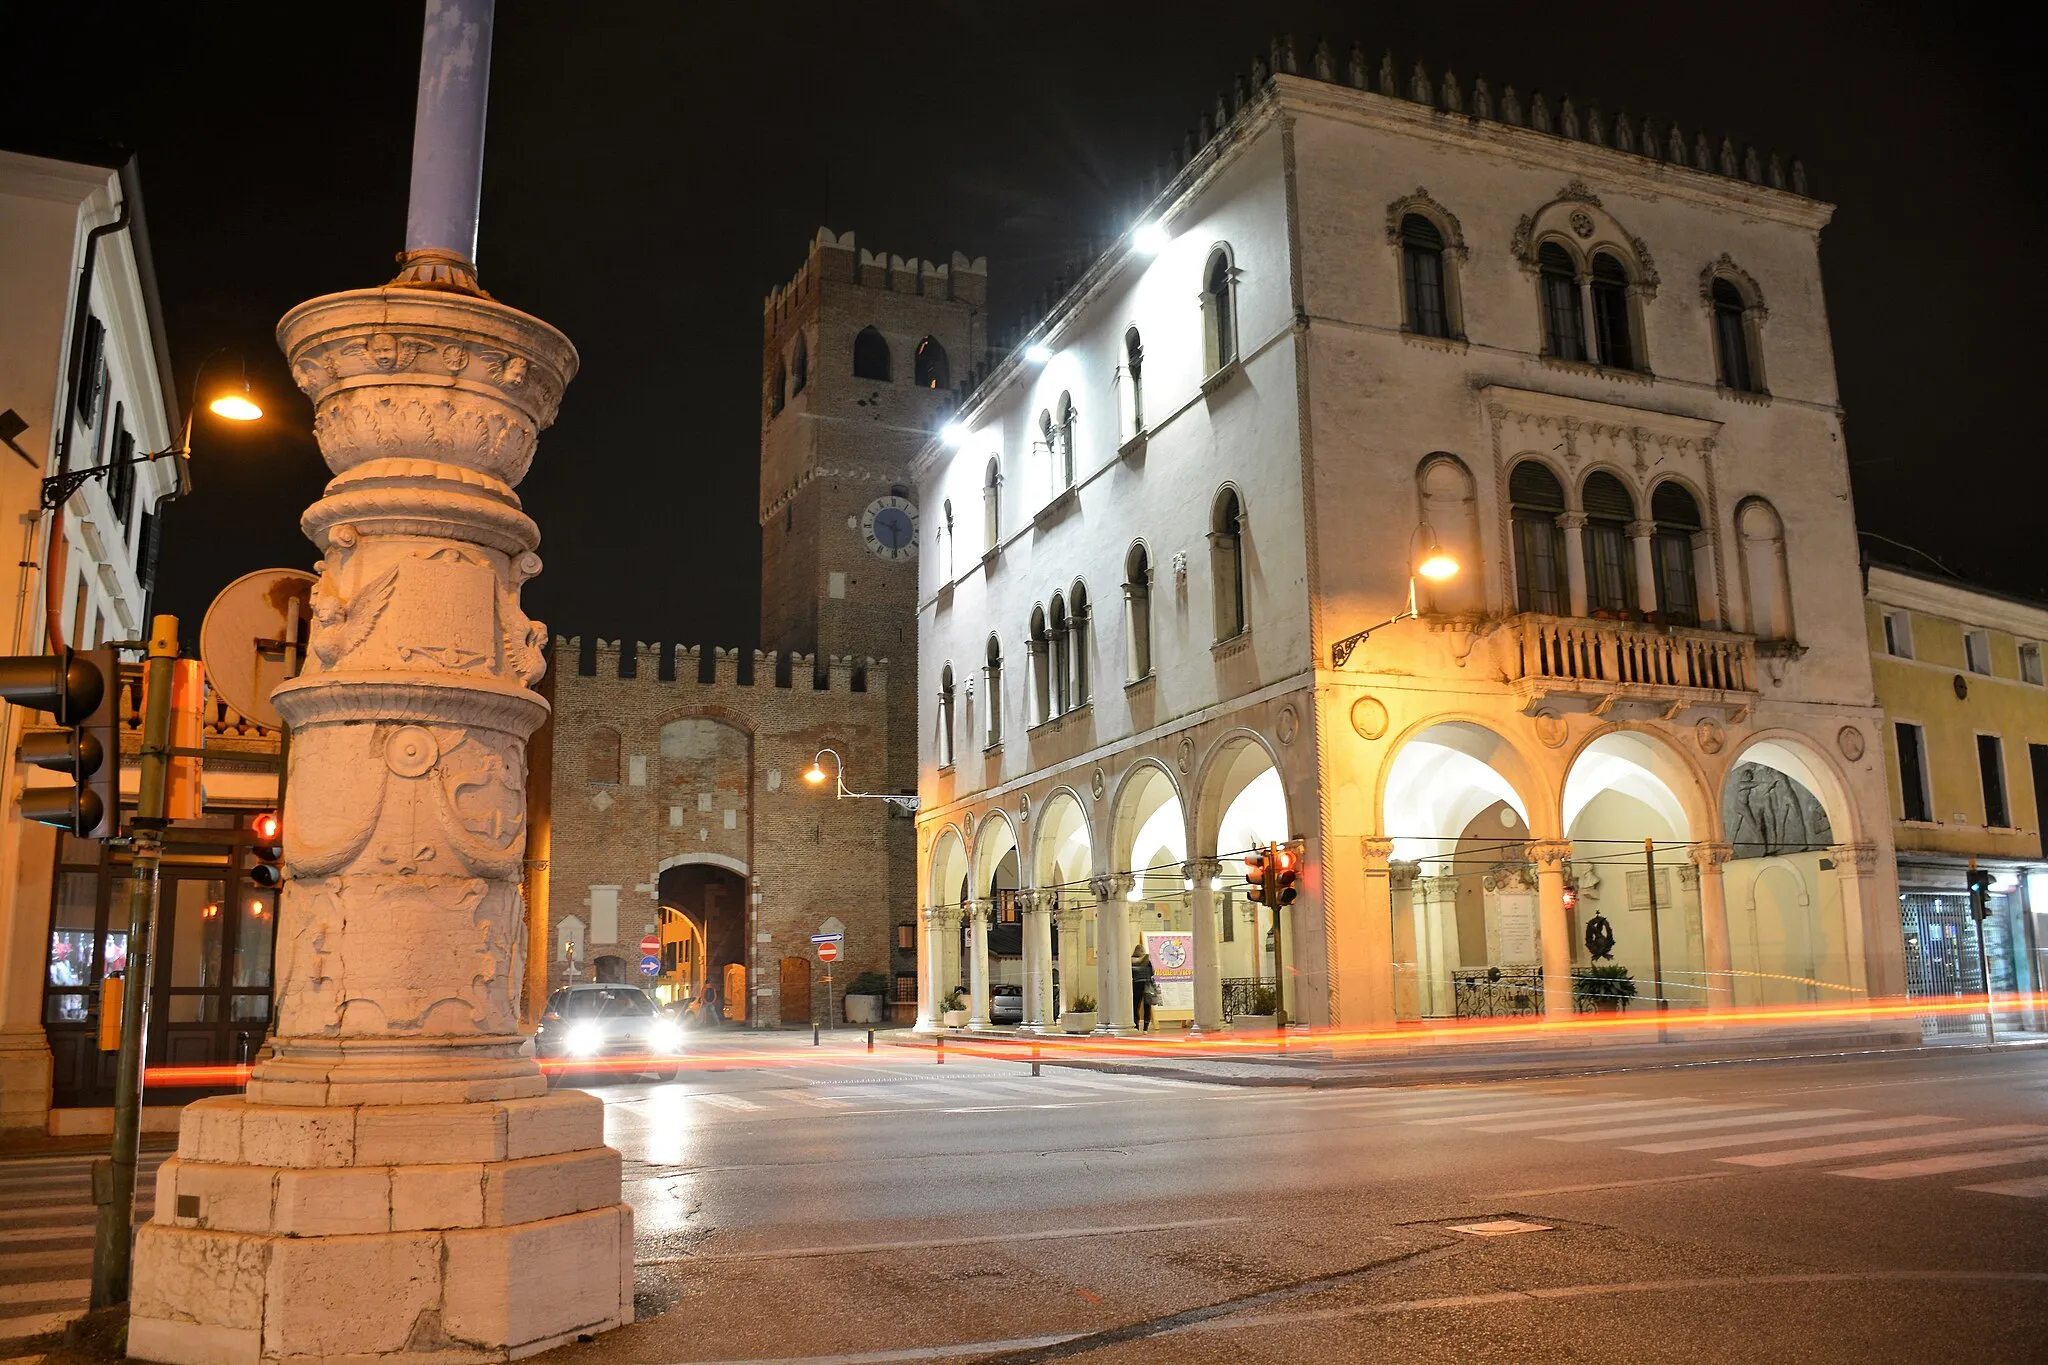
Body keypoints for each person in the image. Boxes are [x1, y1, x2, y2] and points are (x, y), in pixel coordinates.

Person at [1130, 944, 1157, 1032]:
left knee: (1135, 1006)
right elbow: (1152, 973)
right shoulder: (1147, 961)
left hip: (1135, 984)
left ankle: (1136, 1026)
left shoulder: (1130, 960)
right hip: (1147, 984)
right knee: (1147, 1006)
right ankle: (1145, 1028)